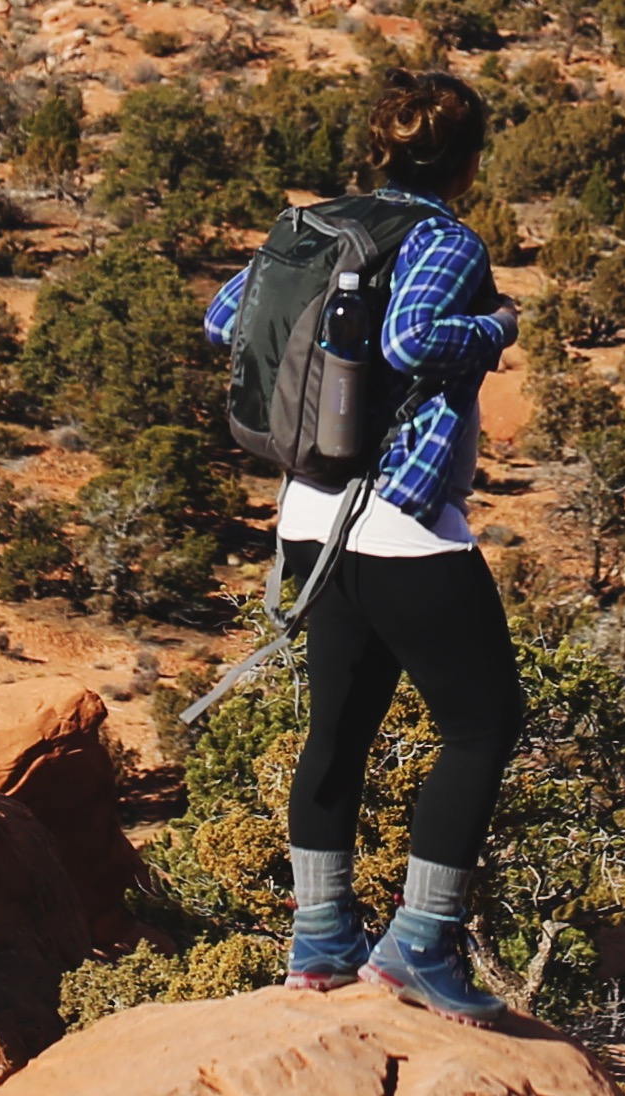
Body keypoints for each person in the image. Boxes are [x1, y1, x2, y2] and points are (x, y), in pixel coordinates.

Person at [204, 71, 528, 1018]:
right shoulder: (444, 239)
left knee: (340, 727)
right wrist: (497, 327)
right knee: (482, 724)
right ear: (468, 159)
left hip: (309, 517)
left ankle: (321, 941)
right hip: (400, 524)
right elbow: (412, 341)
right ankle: (420, 945)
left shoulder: (310, 226)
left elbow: (226, 318)